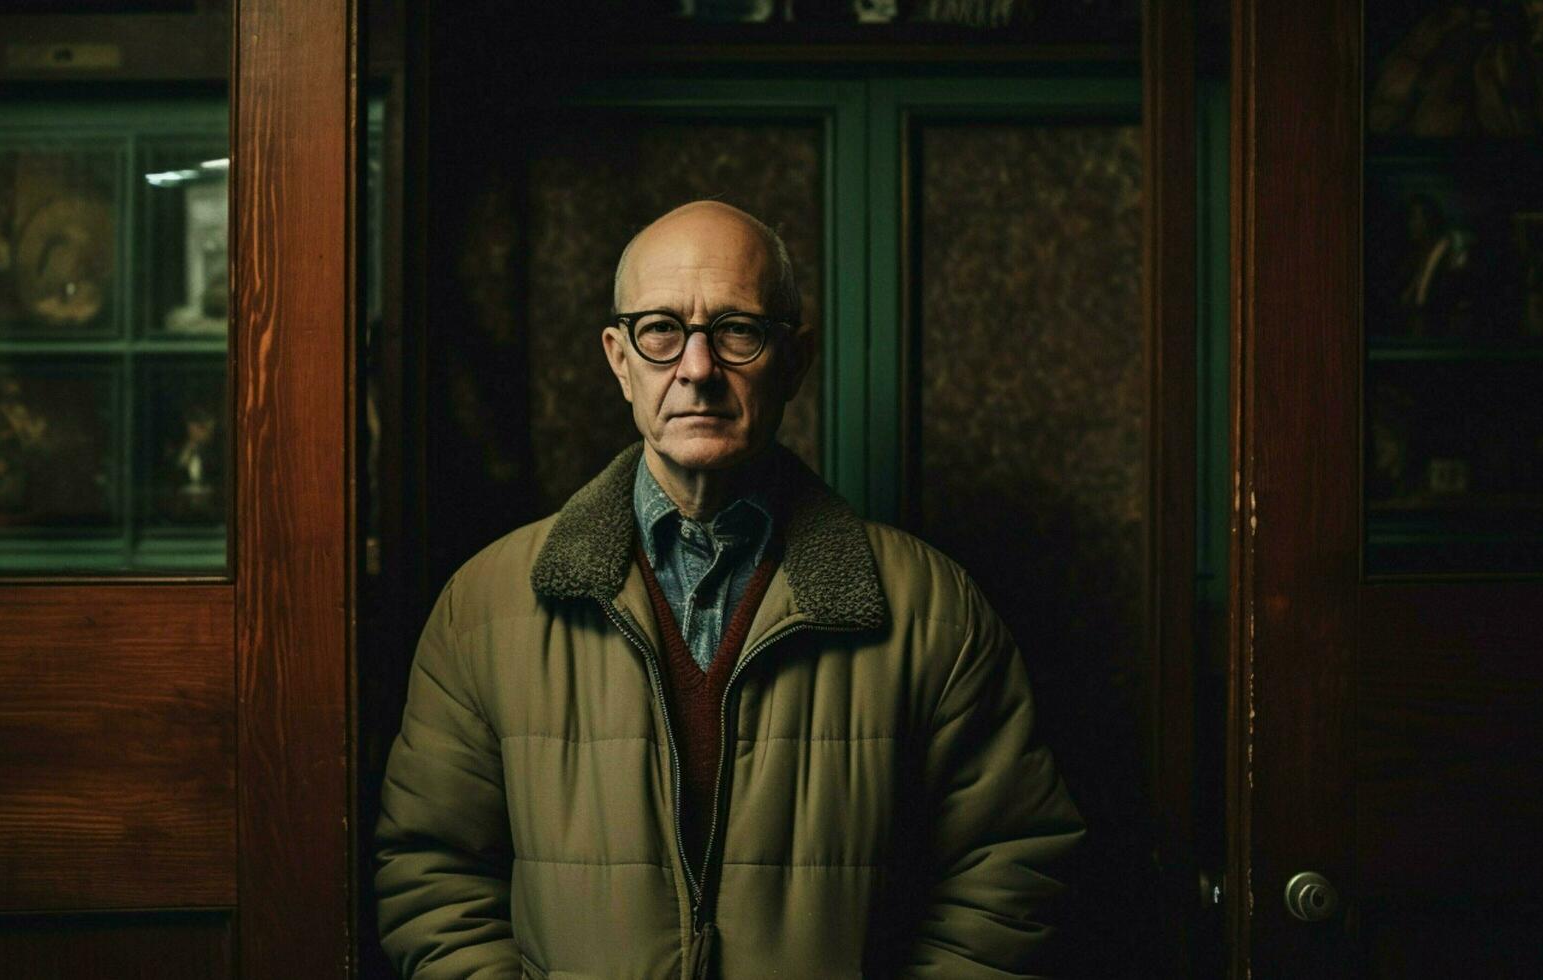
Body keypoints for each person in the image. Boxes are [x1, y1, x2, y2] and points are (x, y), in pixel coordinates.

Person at [375, 200, 1083, 978]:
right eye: (660, 331)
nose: (698, 368)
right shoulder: (485, 607)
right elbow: (430, 869)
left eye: (737, 331)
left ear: (795, 359)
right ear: (619, 359)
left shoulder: (931, 610)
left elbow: (1010, 864)